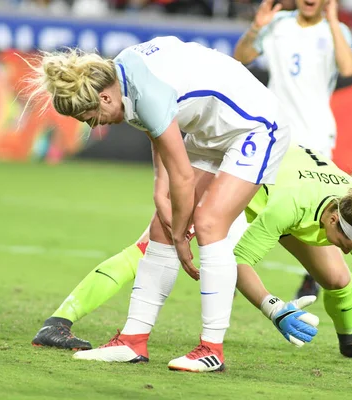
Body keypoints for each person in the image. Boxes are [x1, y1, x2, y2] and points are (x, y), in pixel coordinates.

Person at [27, 35, 291, 372]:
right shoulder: (120, 75)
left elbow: (180, 174)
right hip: (210, 129)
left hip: (255, 126)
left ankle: (212, 350)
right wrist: (158, 191)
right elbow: (158, 131)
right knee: (159, 229)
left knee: (209, 224)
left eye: (91, 117)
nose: (95, 125)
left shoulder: (142, 90)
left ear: (105, 96)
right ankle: (131, 341)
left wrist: (182, 236)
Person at [62, 145, 352, 374]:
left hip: (297, 205)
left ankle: (350, 340)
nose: (349, 249)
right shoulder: (291, 204)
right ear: (333, 219)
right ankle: (62, 318)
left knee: (339, 279)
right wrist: (274, 308)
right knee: (159, 245)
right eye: (345, 242)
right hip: (247, 190)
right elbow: (237, 260)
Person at [233, 0, 352, 299]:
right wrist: (256, 28)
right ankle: (235, 264)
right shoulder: (278, 23)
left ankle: (314, 274)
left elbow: (349, 67)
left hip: (316, 133)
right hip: (276, 130)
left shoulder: (336, 30)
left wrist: (332, 21)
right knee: (249, 194)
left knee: (319, 207)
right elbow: (242, 57)